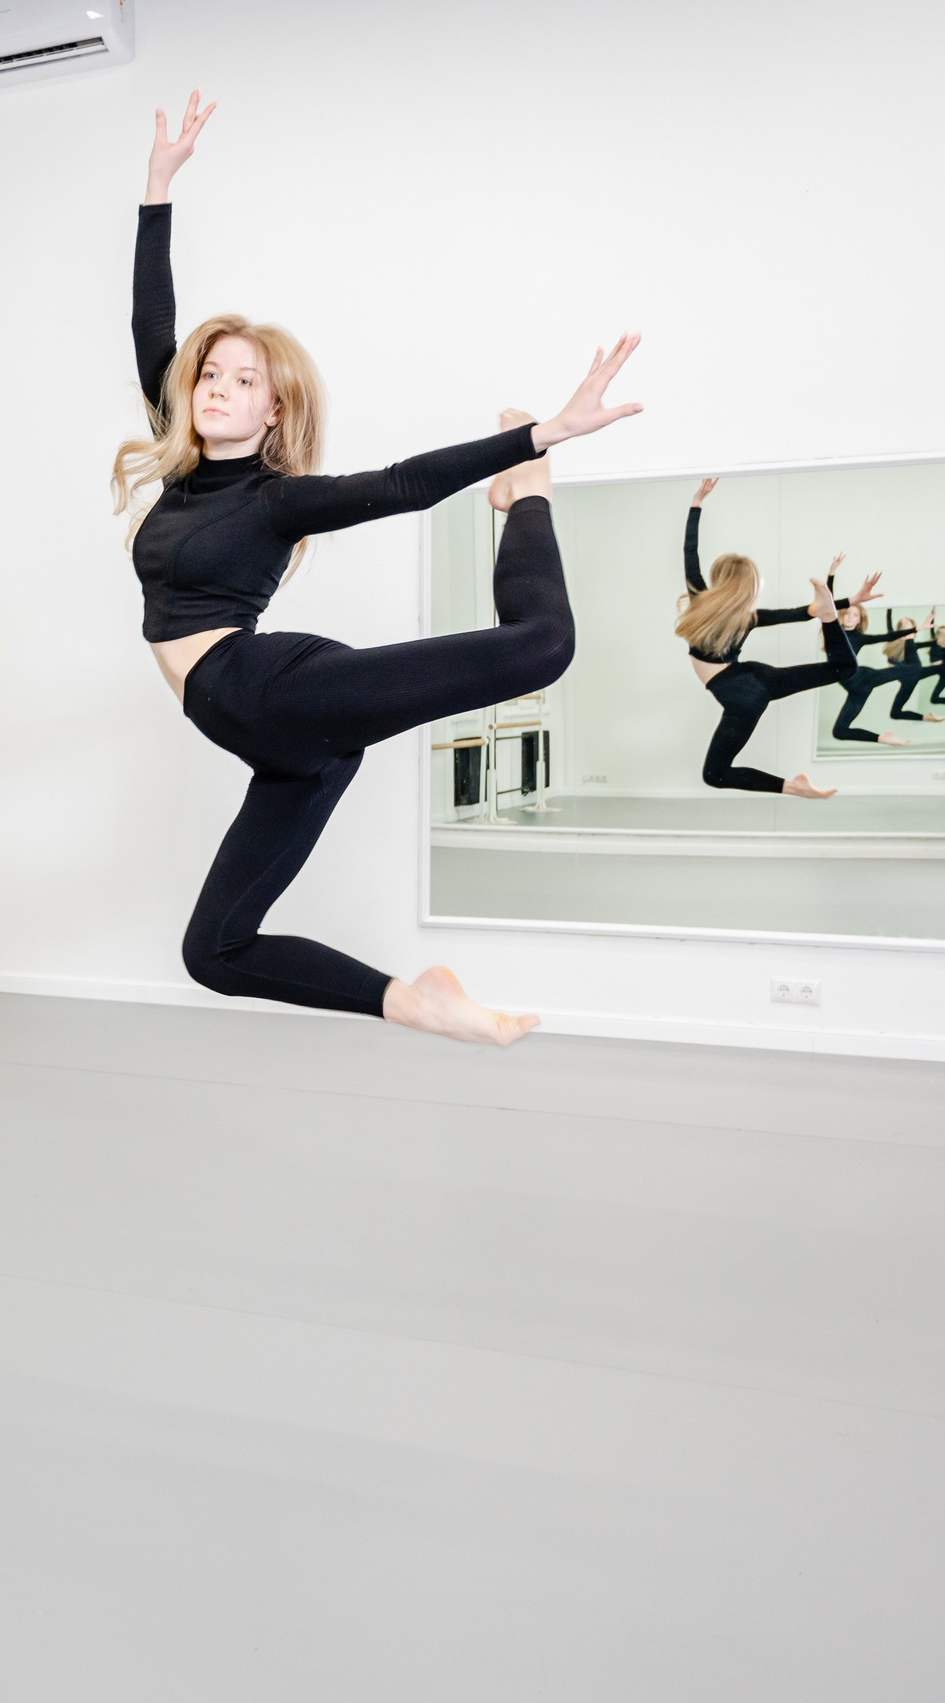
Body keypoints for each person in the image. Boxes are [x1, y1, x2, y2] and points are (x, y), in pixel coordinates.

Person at [121, 92, 640, 1046]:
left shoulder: (275, 496)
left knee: (541, 646)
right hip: (269, 738)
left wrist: (540, 437)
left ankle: (529, 497)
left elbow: (401, 484)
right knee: (216, 952)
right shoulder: (183, 459)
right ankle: (415, 999)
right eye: (211, 375)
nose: (220, 389)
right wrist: (159, 185)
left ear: (274, 412)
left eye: (247, 381)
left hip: (274, 693)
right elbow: (154, 321)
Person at [675, 478, 879, 794]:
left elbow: (690, 550)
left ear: (719, 578)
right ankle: (831, 622)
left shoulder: (699, 596)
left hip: (740, 692)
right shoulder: (749, 617)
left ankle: (793, 787)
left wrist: (697, 503)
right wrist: (847, 603)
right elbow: (803, 611)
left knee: (716, 775)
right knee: (844, 669)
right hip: (755, 677)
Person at [827, 600, 914, 745]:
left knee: (910, 669)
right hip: (856, 691)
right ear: (842, 615)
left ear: (859, 621)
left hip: (863, 678)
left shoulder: (859, 638)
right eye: (847, 613)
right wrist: (831, 577)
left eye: (855, 615)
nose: (849, 617)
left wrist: (915, 630)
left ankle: (913, 660)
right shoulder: (833, 631)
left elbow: (885, 637)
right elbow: (829, 605)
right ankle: (884, 738)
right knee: (839, 732)